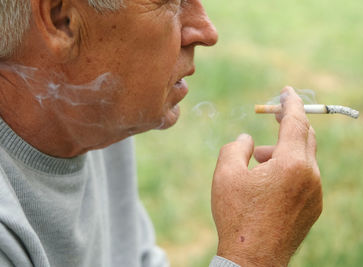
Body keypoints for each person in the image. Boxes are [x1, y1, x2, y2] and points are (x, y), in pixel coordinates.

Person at [0, 0, 322, 266]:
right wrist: (253, 252)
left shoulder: (93, 110)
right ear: (63, 21)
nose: (206, 32)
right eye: (170, 2)